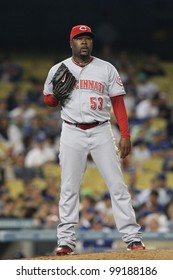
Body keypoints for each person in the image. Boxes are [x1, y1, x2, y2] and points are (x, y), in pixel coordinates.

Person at [43, 24, 145, 255]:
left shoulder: (106, 68)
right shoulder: (58, 69)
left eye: (88, 38)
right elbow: (48, 101)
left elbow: (118, 103)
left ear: (92, 42)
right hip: (71, 131)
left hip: (101, 131)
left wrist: (126, 134)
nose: (84, 42)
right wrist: (57, 95)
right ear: (72, 43)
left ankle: (132, 237)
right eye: (79, 38)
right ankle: (66, 241)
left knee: (117, 185)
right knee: (69, 188)